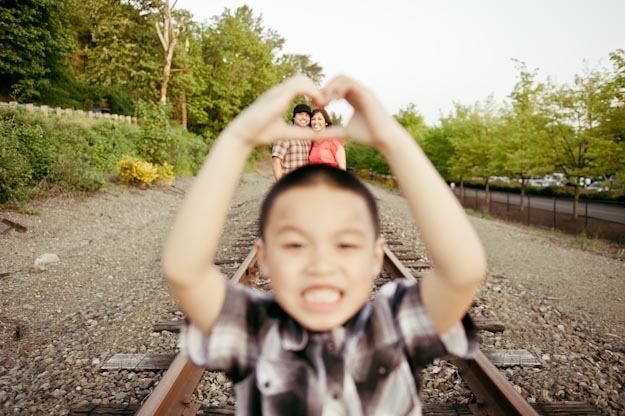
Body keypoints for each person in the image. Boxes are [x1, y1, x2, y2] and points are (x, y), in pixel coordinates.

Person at [162, 75, 487, 415]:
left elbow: (462, 273)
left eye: (345, 245)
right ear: (265, 258)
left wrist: (392, 139)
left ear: (377, 258)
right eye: (295, 245)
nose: (320, 264)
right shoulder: (256, 331)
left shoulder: (390, 327)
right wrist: (236, 139)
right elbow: (185, 271)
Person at [271, 103, 312, 180]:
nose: (304, 117)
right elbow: (276, 161)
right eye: (300, 114)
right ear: (294, 117)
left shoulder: (308, 139)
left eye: (307, 115)